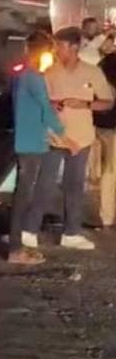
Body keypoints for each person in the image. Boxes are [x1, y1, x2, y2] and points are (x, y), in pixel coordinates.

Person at [39, 26, 114, 250]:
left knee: (74, 185)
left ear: (74, 47)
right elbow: (40, 103)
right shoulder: (50, 72)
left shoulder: (92, 72)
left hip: (81, 139)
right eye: (55, 46)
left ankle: (71, 232)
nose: (56, 50)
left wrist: (85, 104)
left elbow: (107, 102)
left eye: (60, 46)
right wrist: (52, 104)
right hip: (53, 138)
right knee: (43, 183)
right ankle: (28, 229)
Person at [8, 32, 70, 265]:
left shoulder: (23, 74)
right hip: (31, 143)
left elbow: (37, 105)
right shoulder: (33, 77)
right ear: (43, 51)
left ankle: (17, 246)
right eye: (50, 51)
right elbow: (45, 109)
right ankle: (15, 250)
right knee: (23, 196)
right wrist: (66, 137)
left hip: (28, 141)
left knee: (23, 194)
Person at [96, 46, 116, 229]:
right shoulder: (109, 62)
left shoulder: (106, 62)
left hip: (106, 125)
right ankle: (108, 216)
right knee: (110, 170)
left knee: (110, 170)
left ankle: (107, 216)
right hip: (111, 125)